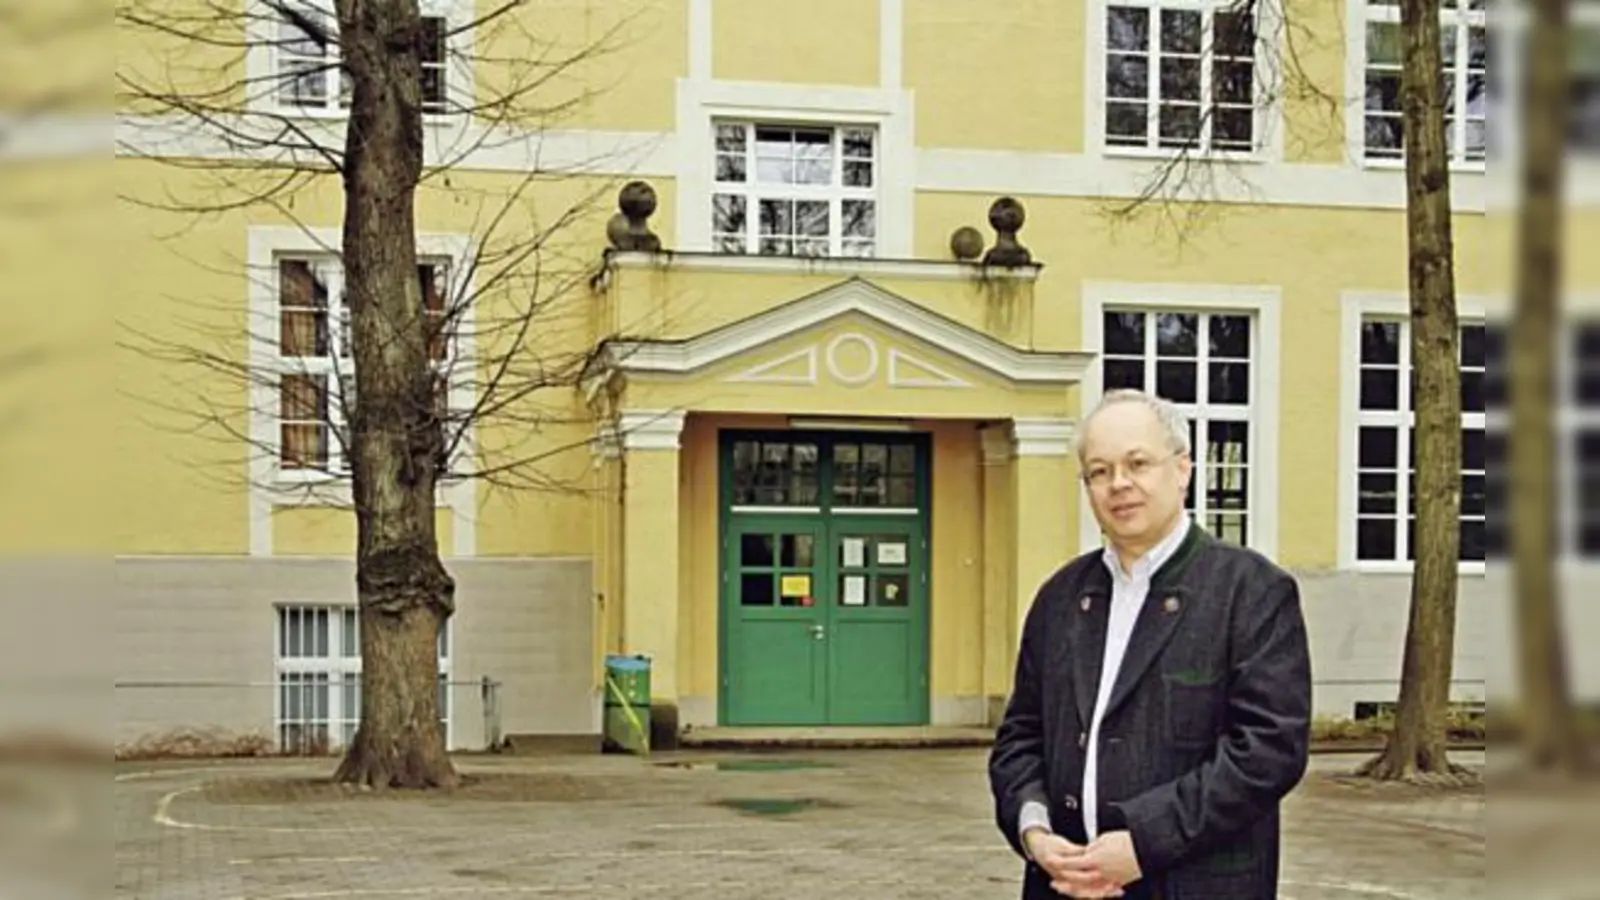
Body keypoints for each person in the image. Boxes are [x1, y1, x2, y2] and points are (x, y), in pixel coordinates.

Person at [988, 389, 1312, 899]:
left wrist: (1144, 842)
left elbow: (1267, 752)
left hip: (1193, 885)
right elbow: (1021, 737)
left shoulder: (1250, 591)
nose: (1119, 484)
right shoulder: (1060, 597)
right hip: (1062, 883)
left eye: (1137, 463)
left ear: (1182, 469)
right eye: (1099, 471)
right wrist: (1034, 831)